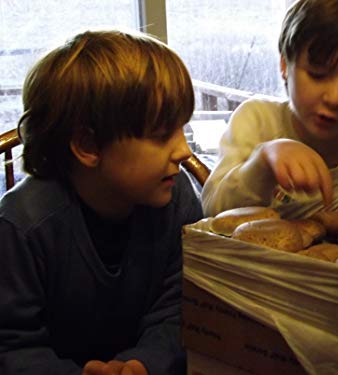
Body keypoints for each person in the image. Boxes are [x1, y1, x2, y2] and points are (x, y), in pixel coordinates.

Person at [0, 29, 203, 375]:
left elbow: (178, 313)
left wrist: (143, 363)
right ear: (88, 147)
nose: (184, 151)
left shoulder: (177, 196)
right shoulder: (22, 226)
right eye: (161, 135)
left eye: (183, 129)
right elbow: (11, 346)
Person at [202, 0, 338, 219]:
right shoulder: (256, 122)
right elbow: (212, 211)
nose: (334, 98)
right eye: (318, 74)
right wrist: (262, 162)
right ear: (284, 65)